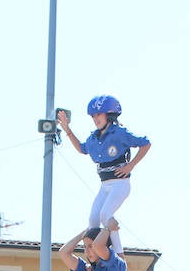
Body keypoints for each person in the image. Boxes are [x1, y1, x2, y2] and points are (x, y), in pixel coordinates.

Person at [57, 95, 150, 253]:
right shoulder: (94, 138)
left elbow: (145, 143)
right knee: (93, 219)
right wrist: (67, 130)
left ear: (110, 114)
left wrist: (130, 166)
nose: (95, 118)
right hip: (105, 186)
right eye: (93, 115)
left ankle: (119, 255)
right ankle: (95, 254)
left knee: (105, 215)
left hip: (120, 184)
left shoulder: (119, 133)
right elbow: (82, 149)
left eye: (98, 114)